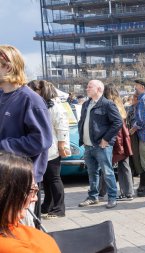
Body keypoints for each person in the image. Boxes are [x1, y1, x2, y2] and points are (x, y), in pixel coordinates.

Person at [0, 45, 52, 226]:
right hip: (4, 177)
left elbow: (41, 140)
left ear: (7, 66)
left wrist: (3, 146)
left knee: (23, 234)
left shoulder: (30, 99)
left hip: (22, 183)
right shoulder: (2, 96)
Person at [0, 152, 60, 252]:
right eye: (31, 190)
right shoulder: (11, 247)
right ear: (5, 193)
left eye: (36, 190)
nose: (35, 198)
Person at [28, 80, 70, 219]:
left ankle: (59, 208)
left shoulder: (54, 106)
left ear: (40, 91)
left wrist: (62, 145)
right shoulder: (40, 105)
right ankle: (47, 205)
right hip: (42, 148)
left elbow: (62, 126)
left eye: (33, 89)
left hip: (52, 148)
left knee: (54, 179)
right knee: (46, 180)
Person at [78, 80, 122, 209]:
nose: (87, 89)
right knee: (92, 173)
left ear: (99, 89)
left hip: (101, 146)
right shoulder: (86, 104)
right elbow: (83, 122)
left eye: (90, 86)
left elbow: (118, 122)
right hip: (88, 145)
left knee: (107, 172)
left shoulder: (107, 104)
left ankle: (112, 197)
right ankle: (93, 197)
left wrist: (106, 139)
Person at [103, 84, 134, 201]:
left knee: (106, 165)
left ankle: (102, 192)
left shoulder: (109, 105)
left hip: (115, 137)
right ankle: (128, 192)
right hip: (123, 137)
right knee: (124, 166)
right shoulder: (119, 104)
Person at [126, 92, 145, 189]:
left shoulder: (140, 108)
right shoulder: (130, 108)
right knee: (131, 160)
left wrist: (133, 128)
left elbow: (140, 121)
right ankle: (130, 186)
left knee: (138, 160)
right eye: (133, 97)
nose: (133, 99)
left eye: (135, 97)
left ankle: (142, 184)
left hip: (137, 136)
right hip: (130, 136)